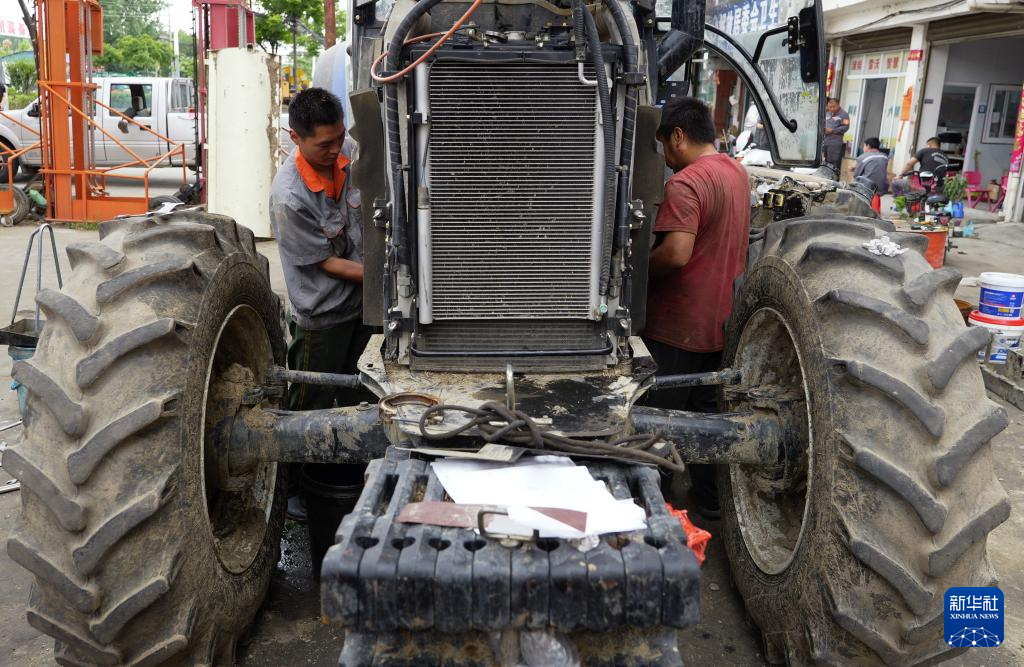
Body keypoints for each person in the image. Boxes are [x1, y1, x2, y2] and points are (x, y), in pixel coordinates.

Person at [644, 97, 751, 520]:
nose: (667, 161)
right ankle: (709, 509)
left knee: (661, 423)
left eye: (665, 148)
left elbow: (675, 253)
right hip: (721, 321)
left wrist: (634, 272)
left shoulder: (686, 183)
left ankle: (661, 511)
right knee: (710, 422)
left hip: (676, 325)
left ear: (678, 136)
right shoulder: (736, 172)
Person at [270, 87, 371, 521]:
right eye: (323, 144)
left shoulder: (346, 150)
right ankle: (292, 491)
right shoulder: (289, 198)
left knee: (362, 390)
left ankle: (355, 469)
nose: (336, 150)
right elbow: (327, 262)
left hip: (364, 308)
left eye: (339, 138)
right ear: (296, 138)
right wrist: (380, 277)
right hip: (324, 315)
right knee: (311, 402)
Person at [823, 97, 850, 172]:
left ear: (838, 105)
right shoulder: (828, 113)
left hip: (835, 141)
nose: (831, 108)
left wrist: (833, 130)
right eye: (829, 107)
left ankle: (832, 174)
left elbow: (846, 127)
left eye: (833, 107)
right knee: (825, 160)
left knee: (833, 161)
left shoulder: (844, 115)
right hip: (826, 140)